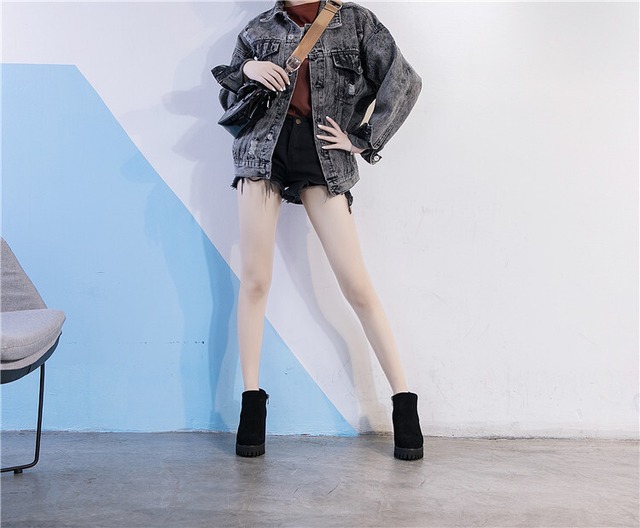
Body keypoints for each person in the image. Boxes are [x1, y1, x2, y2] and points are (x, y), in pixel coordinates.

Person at [212, 0, 424, 460]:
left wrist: (364, 140)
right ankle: (252, 403)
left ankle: (404, 403)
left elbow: (404, 81)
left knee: (357, 286)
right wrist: (247, 68)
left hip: (323, 153)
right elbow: (230, 101)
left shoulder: (355, 21)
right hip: (262, 152)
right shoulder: (259, 28)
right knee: (255, 281)